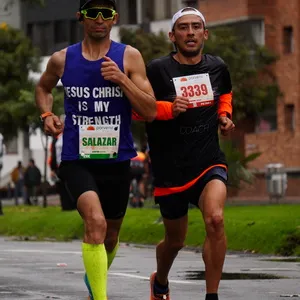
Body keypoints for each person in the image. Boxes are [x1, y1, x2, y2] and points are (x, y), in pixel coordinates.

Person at [35, 0, 156, 299]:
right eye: (92, 13)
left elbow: (150, 109)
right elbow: (43, 88)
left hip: (117, 159)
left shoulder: (129, 57)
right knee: (96, 222)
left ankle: (95, 277)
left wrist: (122, 80)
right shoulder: (62, 59)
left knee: (111, 235)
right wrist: (47, 115)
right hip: (77, 158)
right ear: (81, 17)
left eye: (106, 14)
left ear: (114, 19)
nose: (99, 19)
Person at [145, 7, 235, 300]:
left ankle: (212, 295)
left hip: (208, 162)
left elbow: (225, 95)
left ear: (205, 34)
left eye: (197, 27)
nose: (191, 32)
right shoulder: (157, 70)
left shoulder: (217, 67)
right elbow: (138, 110)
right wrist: (168, 109)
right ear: (172, 35)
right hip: (170, 169)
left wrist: (224, 115)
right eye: (183, 27)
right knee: (175, 241)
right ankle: (160, 281)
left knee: (215, 220)